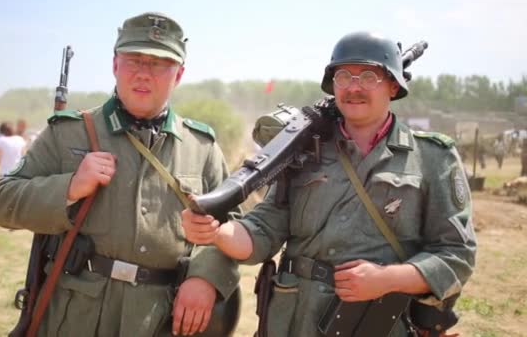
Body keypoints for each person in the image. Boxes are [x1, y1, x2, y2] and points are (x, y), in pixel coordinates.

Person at [182, 32, 477, 337]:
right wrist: (217, 232)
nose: (354, 86)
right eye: (344, 75)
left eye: (369, 76)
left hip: (378, 325)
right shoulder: (305, 150)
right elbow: (264, 229)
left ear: (393, 85)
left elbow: (456, 254)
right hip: (293, 323)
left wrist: (388, 279)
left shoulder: (433, 158)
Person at [0, 12, 240, 336]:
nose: (143, 74)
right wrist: (70, 187)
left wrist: (206, 278)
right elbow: (1, 201)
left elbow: (231, 226)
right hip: (77, 315)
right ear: (114, 65)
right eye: (134, 59)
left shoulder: (202, 147)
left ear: (178, 75)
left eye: (159, 64)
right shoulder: (70, 133)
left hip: (160, 318)